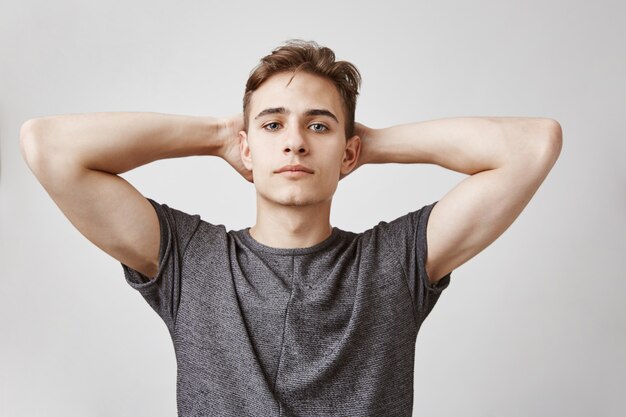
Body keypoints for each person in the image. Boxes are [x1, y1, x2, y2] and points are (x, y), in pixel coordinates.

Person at [20, 39, 562, 416]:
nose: (295, 142)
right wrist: (215, 134)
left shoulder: (396, 261)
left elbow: (533, 145)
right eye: (273, 124)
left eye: (317, 126)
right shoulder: (189, 259)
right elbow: (48, 146)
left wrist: (366, 145)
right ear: (246, 148)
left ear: (348, 151)